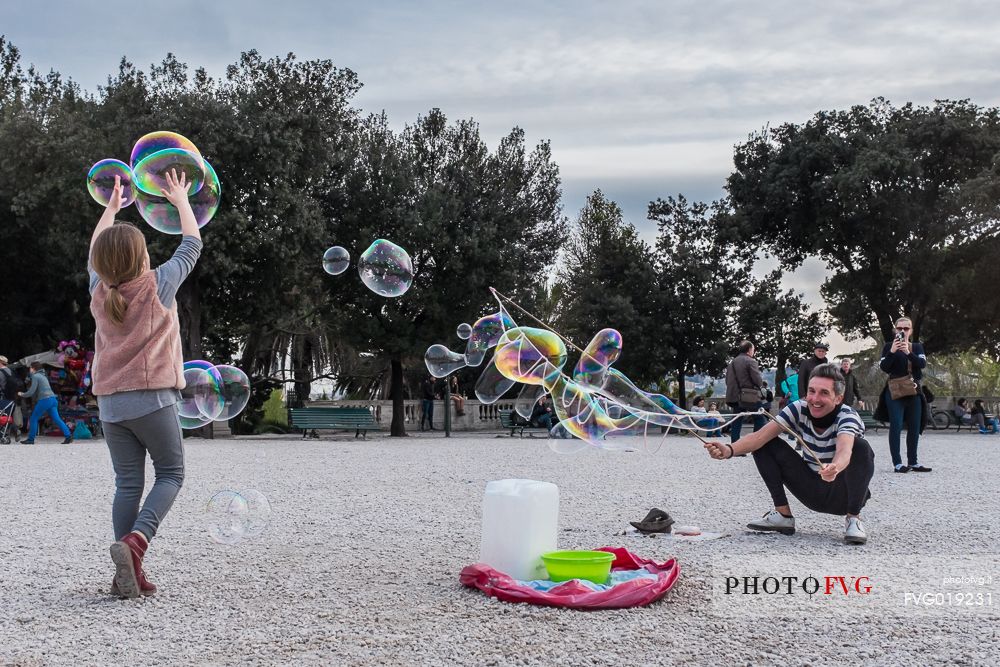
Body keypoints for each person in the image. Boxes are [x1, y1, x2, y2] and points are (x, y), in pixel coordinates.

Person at [89, 170, 201, 599]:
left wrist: (111, 209)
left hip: (111, 406)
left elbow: (95, 252)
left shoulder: (99, 291)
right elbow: (192, 244)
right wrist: (179, 199)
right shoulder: (157, 285)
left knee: (127, 484)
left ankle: (125, 577)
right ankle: (136, 543)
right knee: (171, 473)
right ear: (142, 259)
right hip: (152, 399)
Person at [704, 363, 874, 545]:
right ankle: (783, 515)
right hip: (812, 488)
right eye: (811, 391)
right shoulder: (798, 409)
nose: (815, 399)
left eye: (824, 393)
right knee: (764, 444)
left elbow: (845, 449)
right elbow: (759, 436)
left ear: (838, 398)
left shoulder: (847, 416)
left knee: (862, 447)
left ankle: (853, 518)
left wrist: (835, 467)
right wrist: (729, 450)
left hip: (843, 493)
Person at [875, 316, 930, 473]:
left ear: (911, 330)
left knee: (914, 427)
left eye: (906, 328)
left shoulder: (917, 347)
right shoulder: (888, 347)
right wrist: (893, 351)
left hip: (913, 391)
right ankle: (898, 463)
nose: (903, 331)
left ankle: (913, 462)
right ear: (895, 330)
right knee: (896, 426)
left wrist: (907, 352)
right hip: (895, 391)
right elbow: (885, 367)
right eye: (900, 328)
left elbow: (921, 365)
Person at [18, 361, 73, 444]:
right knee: (57, 419)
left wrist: (22, 394)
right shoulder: (43, 376)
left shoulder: (35, 376)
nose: (29, 369)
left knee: (33, 418)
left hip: (45, 400)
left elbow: (31, 391)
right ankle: (68, 436)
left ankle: (31, 439)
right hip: (53, 399)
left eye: (30, 368)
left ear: (33, 368)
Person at [724, 340, 765, 442]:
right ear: (749, 350)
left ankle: (735, 446)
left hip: (734, 396)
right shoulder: (750, 361)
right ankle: (756, 445)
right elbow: (757, 378)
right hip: (748, 396)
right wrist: (761, 387)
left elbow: (727, 380)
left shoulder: (731, 363)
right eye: (753, 350)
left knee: (737, 420)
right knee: (760, 418)